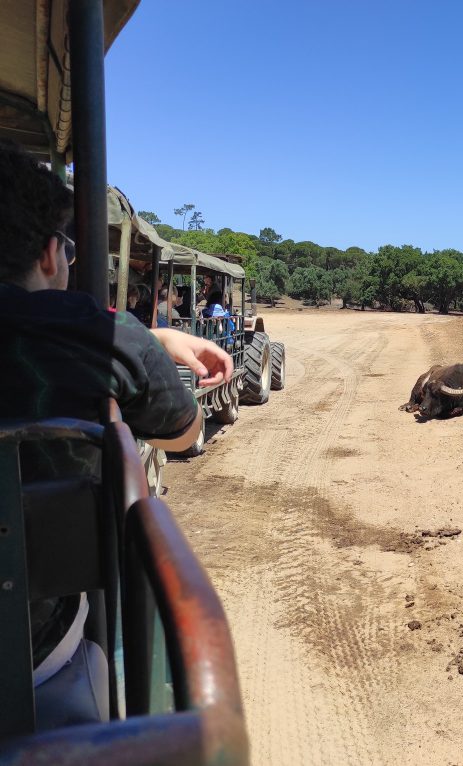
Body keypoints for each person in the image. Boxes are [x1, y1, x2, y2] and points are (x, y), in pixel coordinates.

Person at [0, 139, 232, 702]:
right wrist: (146, 344)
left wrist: (154, 335)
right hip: (35, 650)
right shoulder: (98, 331)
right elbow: (182, 433)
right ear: (51, 255)